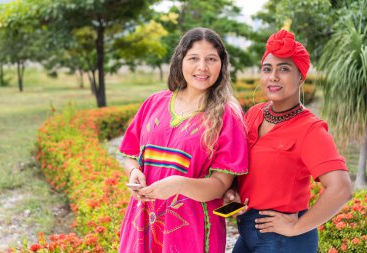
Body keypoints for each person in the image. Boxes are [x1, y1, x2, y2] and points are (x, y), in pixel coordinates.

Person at [118, 27, 248, 253]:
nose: (202, 67)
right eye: (194, 58)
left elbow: (219, 186)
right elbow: (130, 156)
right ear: (180, 60)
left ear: (222, 64)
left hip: (192, 229)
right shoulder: (154, 103)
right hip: (142, 221)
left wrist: (178, 185)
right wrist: (134, 172)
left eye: (211, 59)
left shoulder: (227, 115)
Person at [226, 29, 353, 253]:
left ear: (301, 77)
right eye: (267, 69)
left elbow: (341, 188)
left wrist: (296, 227)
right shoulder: (255, 113)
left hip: (283, 241)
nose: (273, 76)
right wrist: (234, 190)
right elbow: (245, 166)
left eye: (283, 69)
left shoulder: (310, 129)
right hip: (248, 233)